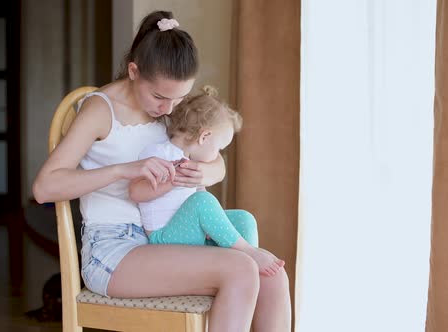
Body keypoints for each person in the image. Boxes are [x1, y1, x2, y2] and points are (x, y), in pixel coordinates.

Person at [32, 10, 291, 332]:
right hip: (114, 250)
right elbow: (45, 187)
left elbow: (216, 159)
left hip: (168, 238)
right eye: (159, 96)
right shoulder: (101, 110)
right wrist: (124, 170)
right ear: (133, 70)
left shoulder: (170, 111)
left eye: (179, 97)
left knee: (272, 275)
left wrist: (204, 173)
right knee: (240, 268)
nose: (169, 109)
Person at [130, 85, 285, 277]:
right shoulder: (157, 153)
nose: (217, 155)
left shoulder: (192, 163)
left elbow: (200, 198)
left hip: (190, 234)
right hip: (164, 238)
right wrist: (171, 181)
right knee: (202, 202)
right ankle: (249, 253)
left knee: (244, 218)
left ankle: (248, 271)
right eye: (219, 148)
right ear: (204, 136)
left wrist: (211, 224)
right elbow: (135, 192)